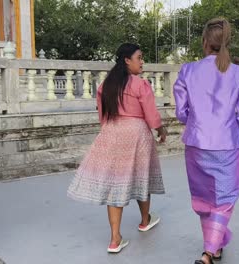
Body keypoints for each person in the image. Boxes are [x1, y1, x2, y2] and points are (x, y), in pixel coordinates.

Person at [67, 43, 167, 253]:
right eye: (139, 57)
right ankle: (145, 220)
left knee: (115, 183)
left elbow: (102, 116)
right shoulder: (140, 84)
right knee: (142, 176)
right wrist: (161, 130)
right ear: (127, 60)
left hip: (112, 132)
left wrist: (110, 132)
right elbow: (151, 115)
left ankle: (115, 239)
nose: (142, 62)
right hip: (137, 133)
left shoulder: (106, 85)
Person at [173, 18, 239, 264]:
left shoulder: (188, 70)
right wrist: (226, 126)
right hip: (227, 143)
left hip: (196, 143)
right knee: (224, 198)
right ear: (226, 42)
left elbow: (181, 112)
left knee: (203, 197)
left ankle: (214, 246)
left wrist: (199, 124)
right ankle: (210, 251)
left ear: (205, 42)